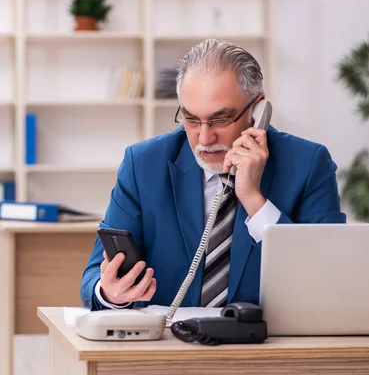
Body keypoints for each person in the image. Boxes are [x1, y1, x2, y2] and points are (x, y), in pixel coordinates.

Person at [80, 38, 346, 311]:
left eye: (221, 119)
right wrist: (110, 293)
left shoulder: (309, 164)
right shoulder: (144, 164)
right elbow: (92, 280)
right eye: (191, 119)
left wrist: (254, 200)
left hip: (269, 348)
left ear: (257, 111)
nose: (204, 138)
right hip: (168, 346)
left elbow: (329, 280)